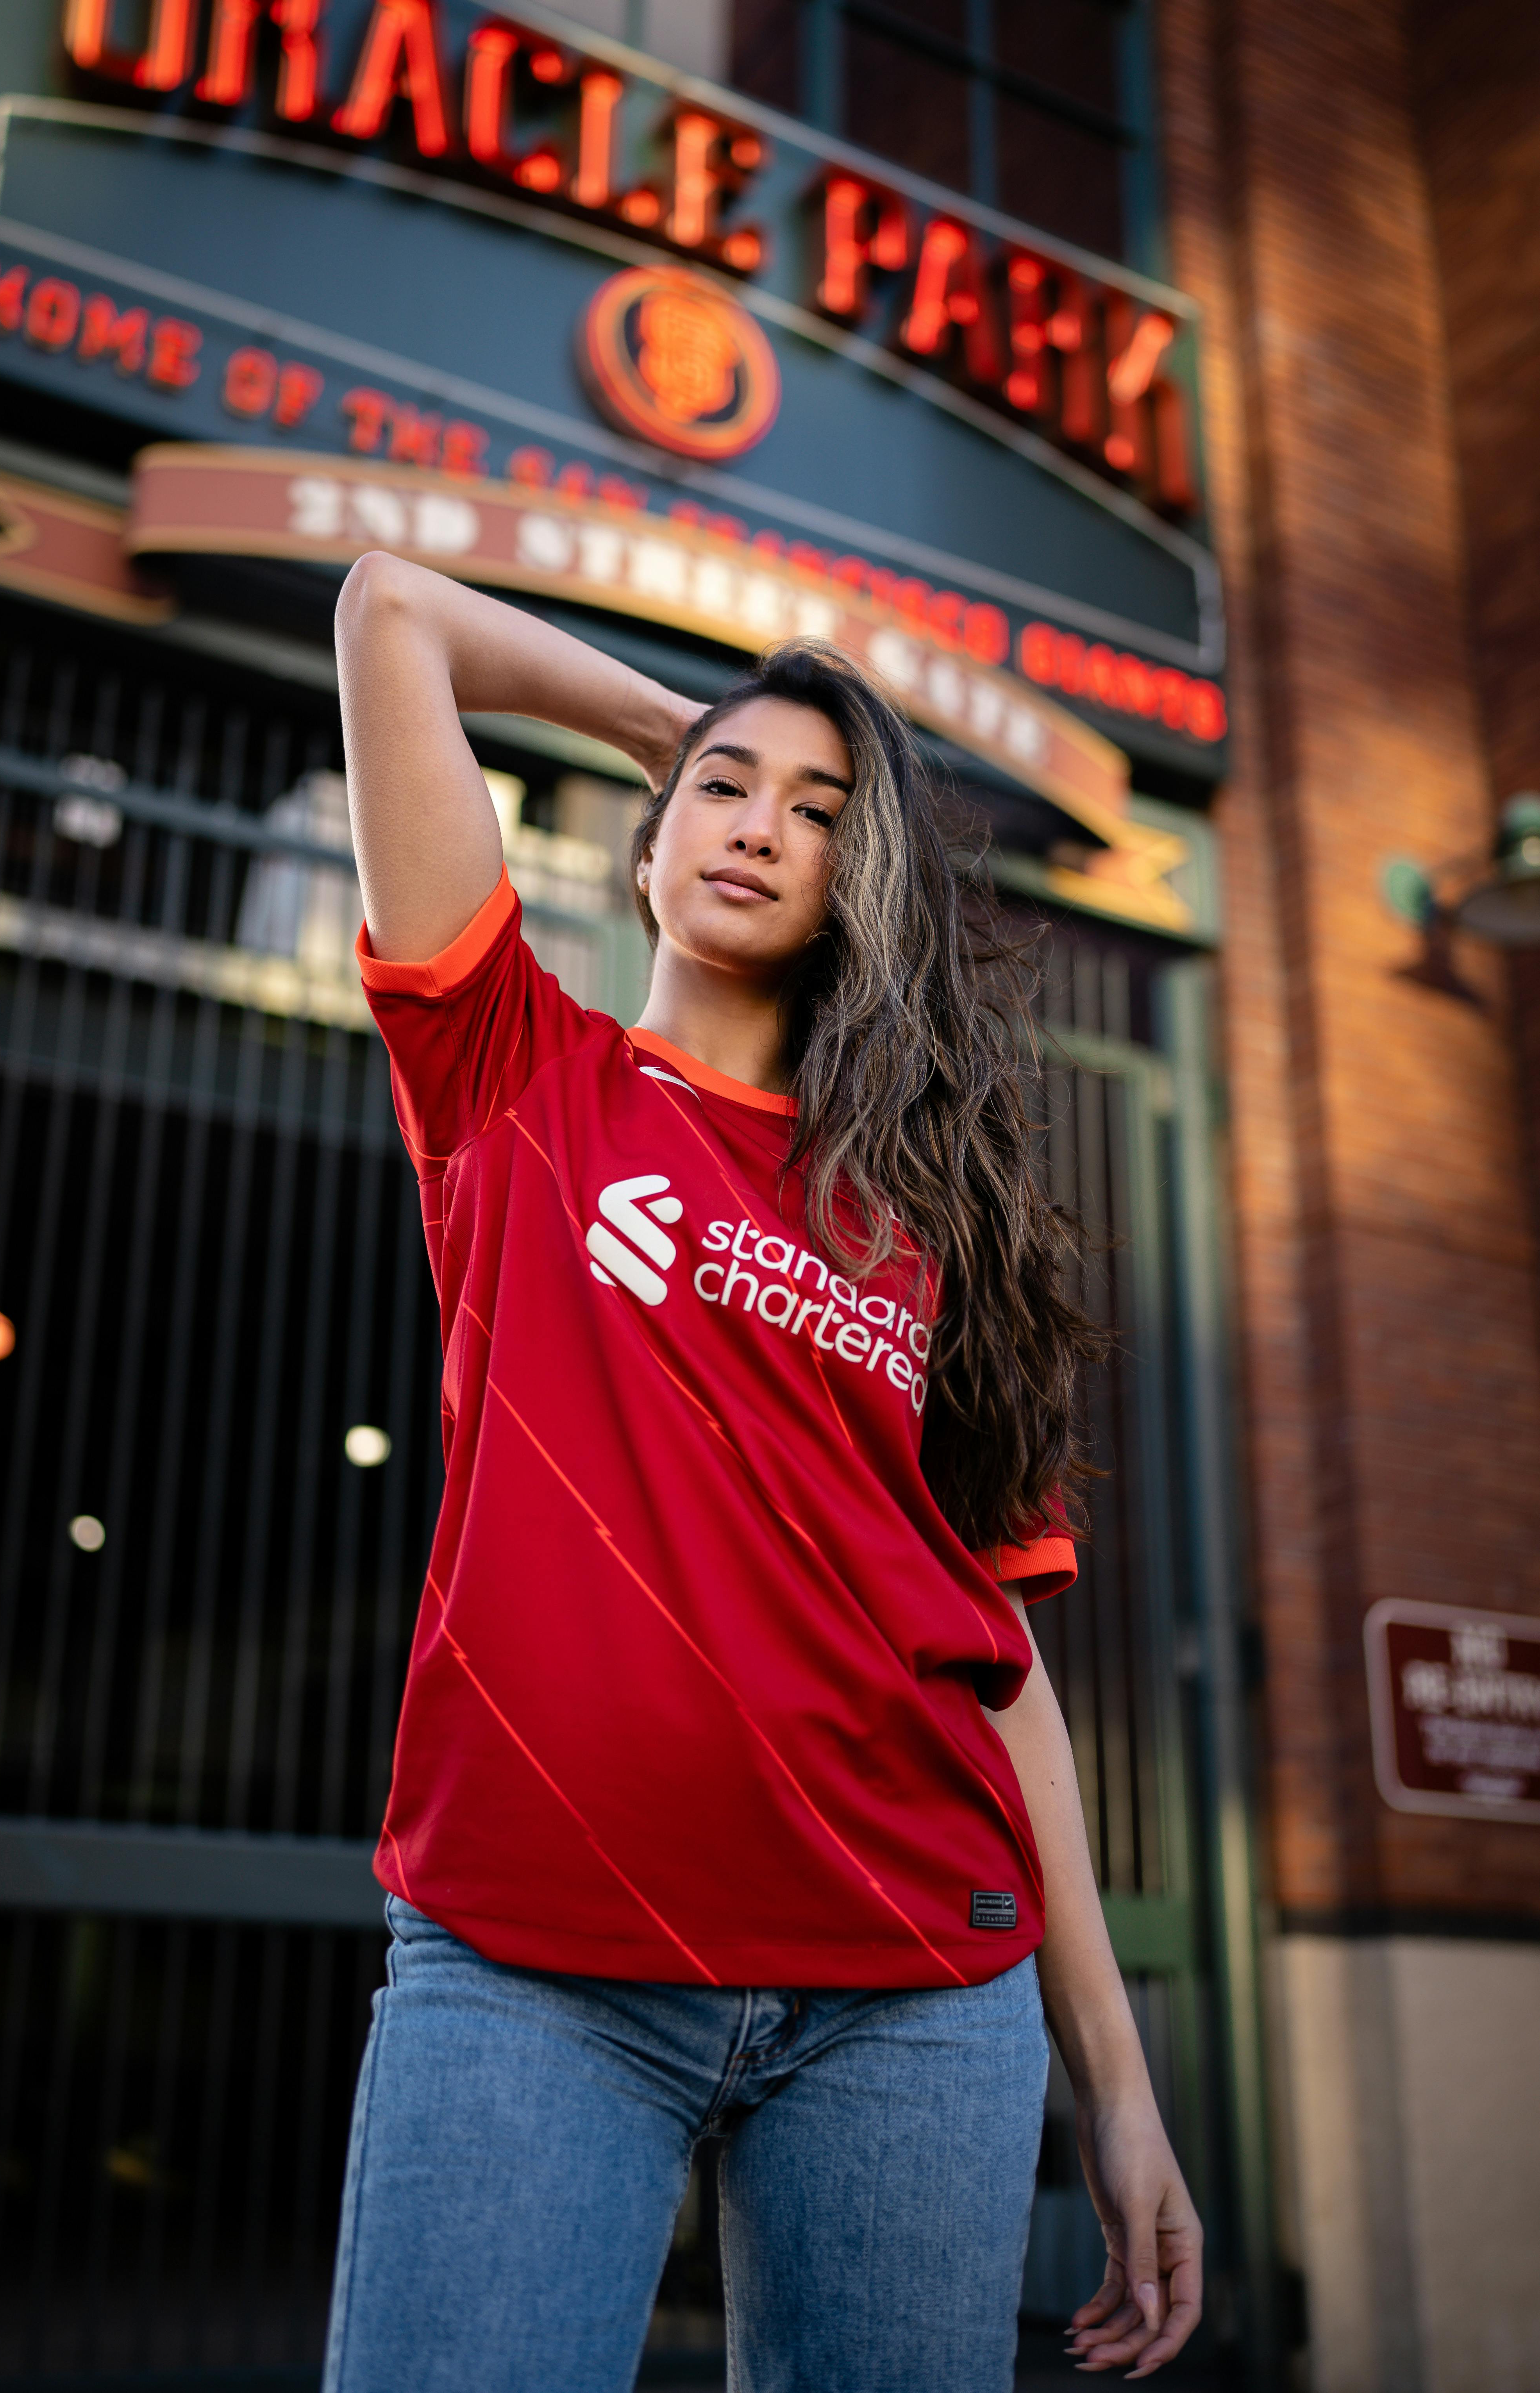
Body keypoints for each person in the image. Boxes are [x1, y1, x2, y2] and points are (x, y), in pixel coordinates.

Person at [324, 555, 1203, 2393]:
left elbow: (1001, 1667)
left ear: (852, 892)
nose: (755, 827)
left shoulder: (928, 1221)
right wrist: (679, 725)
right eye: (724, 794)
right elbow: (393, 608)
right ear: (646, 842)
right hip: (531, 1955)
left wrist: (1117, 2088)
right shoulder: (515, 1078)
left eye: (819, 815)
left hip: (912, 1991)